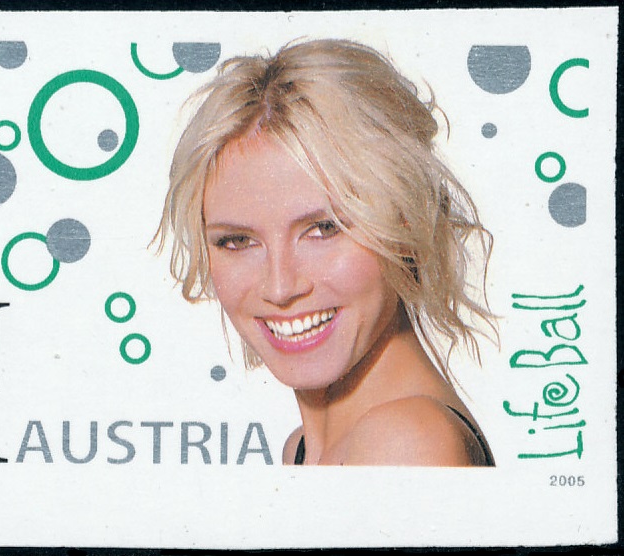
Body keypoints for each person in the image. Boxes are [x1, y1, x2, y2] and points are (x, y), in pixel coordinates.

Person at [156, 38, 496, 466]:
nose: (280, 287)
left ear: (406, 221)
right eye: (237, 241)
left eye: (323, 229)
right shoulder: (303, 448)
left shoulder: (404, 440)